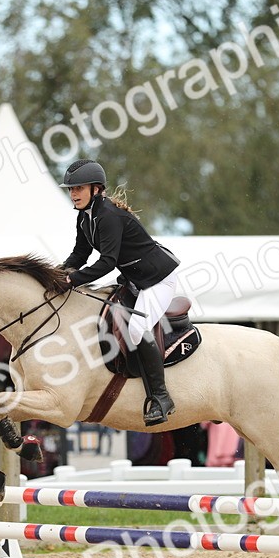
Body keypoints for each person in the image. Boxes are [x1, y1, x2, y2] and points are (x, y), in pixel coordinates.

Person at [57, 158, 181, 426]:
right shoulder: (85, 216)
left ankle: (161, 397)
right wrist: (59, 273)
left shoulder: (109, 216)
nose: (73, 194)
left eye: (78, 188)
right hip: (135, 278)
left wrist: (73, 280)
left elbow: (107, 262)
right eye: (71, 189)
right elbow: (81, 253)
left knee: (136, 329)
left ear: (96, 189)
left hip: (157, 279)